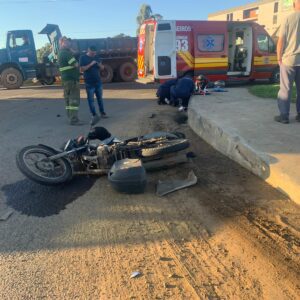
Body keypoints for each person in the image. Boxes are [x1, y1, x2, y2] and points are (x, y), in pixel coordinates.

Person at [275, 0, 300, 124]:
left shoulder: (288, 18)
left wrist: (279, 58)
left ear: (293, 5)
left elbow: (281, 41)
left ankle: (284, 116)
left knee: (285, 89)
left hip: (289, 60)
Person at [80, 45, 107, 124]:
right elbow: (82, 69)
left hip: (98, 82)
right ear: (88, 50)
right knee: (91, 100)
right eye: (92, 53)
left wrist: (99, 64)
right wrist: (91, 64)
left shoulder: (97, 57)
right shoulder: (83, 58)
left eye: (94, 53)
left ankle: (102, 113)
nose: (93, 55)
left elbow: (102, 68)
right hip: (89, 82)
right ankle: (94, 114)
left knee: (100, 99)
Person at [58, 37, 82, 125]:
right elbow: (75, 64)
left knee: (68, 100)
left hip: (66, 81)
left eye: (69, 42)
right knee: (74, 100)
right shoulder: (67, 53)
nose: (69, 44)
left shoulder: (60, 53)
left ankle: (70, 117)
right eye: (67, 42)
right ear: (62, 43)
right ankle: (74, 120)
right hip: (72, 80)